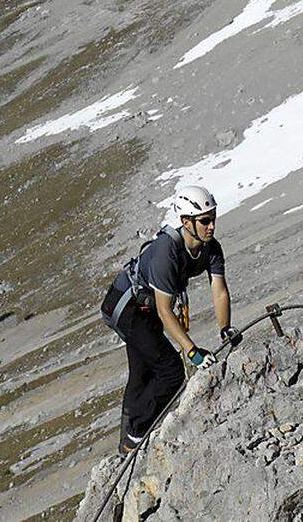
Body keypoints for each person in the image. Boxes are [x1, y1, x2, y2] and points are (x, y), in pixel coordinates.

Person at [100, 185, 241, 454]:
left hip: (145, 307)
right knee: (170, 371)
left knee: (142, 372)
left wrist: (225, 328)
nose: (211, 226)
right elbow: (165, 312)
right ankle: (136, 434)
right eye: (204, 221)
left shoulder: (211, 249)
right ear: (186, 222)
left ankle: (128, 439)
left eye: (213, 218)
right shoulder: (166, 252)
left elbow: (219, 290)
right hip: (128, 307)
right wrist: (192, 352)